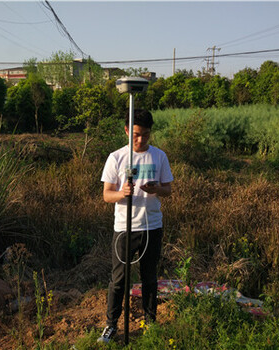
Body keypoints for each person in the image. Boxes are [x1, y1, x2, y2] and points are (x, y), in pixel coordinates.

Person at [98, 109, 173, 343]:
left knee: (150, 278)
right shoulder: (117, 157)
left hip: (152, 226)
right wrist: (122, 193)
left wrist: (156, 189)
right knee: (119, 280)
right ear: (127, 131)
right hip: (124, 228)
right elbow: (106, 195)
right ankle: (111, 326)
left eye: (146, 135)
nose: (141, 140)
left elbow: (168, 190)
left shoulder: (159, 156)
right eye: (137, 135)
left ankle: (150, 324)